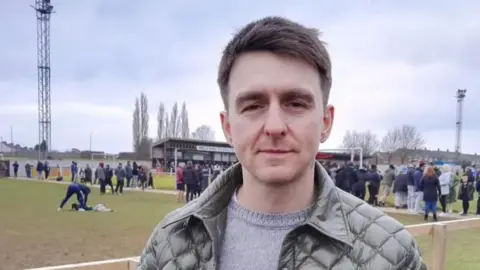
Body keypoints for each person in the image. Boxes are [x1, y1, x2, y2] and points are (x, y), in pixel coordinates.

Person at [137, 17, 425, 269]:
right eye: (253, 106)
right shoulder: (170, 242)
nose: (274, 127)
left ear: (325, 121)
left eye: (296, 103)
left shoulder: (392, 253)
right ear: (228, 127)